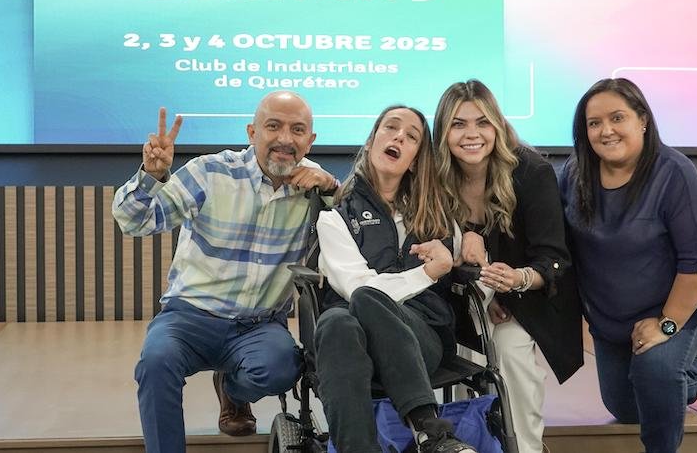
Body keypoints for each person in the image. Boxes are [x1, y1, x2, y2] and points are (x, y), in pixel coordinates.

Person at [112, 91, 339, 453]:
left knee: (282, 369)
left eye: (297, 130)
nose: (285, 138)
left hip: (259, 324)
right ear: (252, 132)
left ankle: (232, 389)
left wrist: (331, 188)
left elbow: (352, 225)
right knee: (155, 362)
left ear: (310, 141)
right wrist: (151, 176)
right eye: (273, 126)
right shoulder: (210, 172)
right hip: (190, 316)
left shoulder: (315, 186)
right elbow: (134, 221)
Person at [557, 78, 697, 453]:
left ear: (642, 120)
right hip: (612, 317)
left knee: (655, 369)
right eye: (594, 123)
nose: (606, 130)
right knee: (626, 407)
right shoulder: (574, 175)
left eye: (617, 118)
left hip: (678, 307)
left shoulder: (675, 173)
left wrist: (666, 324)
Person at [313, 105, 478, 453]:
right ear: (371, 141)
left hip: (421, 340)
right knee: (337, 320)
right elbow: (357, 288)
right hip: (352, 344)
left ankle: (430, 434)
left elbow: (471, 261)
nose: (399, 137)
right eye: (390, 128)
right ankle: (420, 434)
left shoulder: (438, 218)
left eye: (412, 136)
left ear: (416, 160)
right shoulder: (335, 219)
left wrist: (472, 243)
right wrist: (426, 273)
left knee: (360, 303)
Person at [433, 80, 583, 453]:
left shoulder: (530, 171)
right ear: (443, 132)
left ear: (497, 126)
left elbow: (553, 258)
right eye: (458, 124)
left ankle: (525, 447)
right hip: (461, 294)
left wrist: (515, 281)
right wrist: (474, 268)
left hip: (531, 293)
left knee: (509, 349)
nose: (472, 134)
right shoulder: (433, 175)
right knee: (463, 352)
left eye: (482, 122)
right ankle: (473, 441)